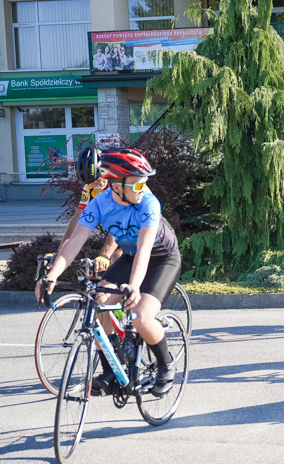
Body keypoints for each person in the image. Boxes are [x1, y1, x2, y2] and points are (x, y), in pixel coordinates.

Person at [36, 149, 181, 397]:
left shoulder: (148, 202)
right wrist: (52, 275)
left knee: (140, 316)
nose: (142, 188)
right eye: (136, 183)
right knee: (100, 301)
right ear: (116, 186)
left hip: (162, 259)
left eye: (143, 182)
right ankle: (110, 369)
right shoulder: (100, 204)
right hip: (130, 257)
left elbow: (145, 249)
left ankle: (166, 365)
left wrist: (133, 286)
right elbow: (74, 241)